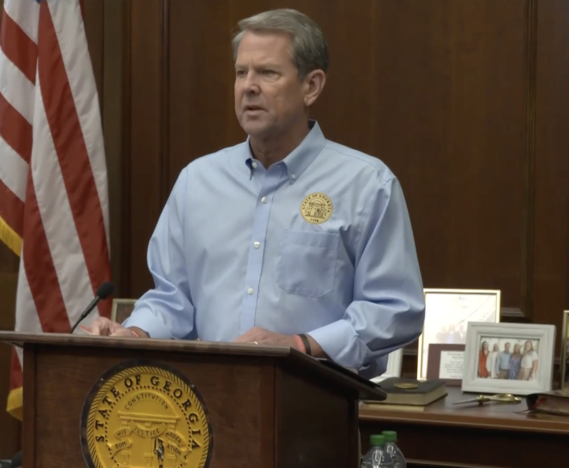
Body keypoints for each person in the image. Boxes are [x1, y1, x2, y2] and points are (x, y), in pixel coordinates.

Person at [89, 8, 425, 378]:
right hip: (206, 405)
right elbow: (174, 300)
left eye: (267, 73)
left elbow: (395, 309)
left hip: (314, 406)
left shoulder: (366, 184)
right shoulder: (197, 181)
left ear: (311, 86)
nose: (248, 86)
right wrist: (135, 331)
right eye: (240, 72)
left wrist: (300, 345)